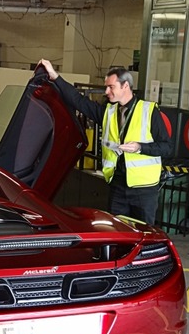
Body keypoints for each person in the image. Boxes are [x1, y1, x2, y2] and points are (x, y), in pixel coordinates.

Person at [38, 59, 173, 225]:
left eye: (111, 87)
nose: (107, 91)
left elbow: (167, 148)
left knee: (144, 235)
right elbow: (78, 101)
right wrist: (55, 76)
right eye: (106, 87)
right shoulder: (108, 112)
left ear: (125, 86)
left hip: (144, 190)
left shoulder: (149, 111)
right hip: (117, 186)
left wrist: (140, 147)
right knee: (116, 233)